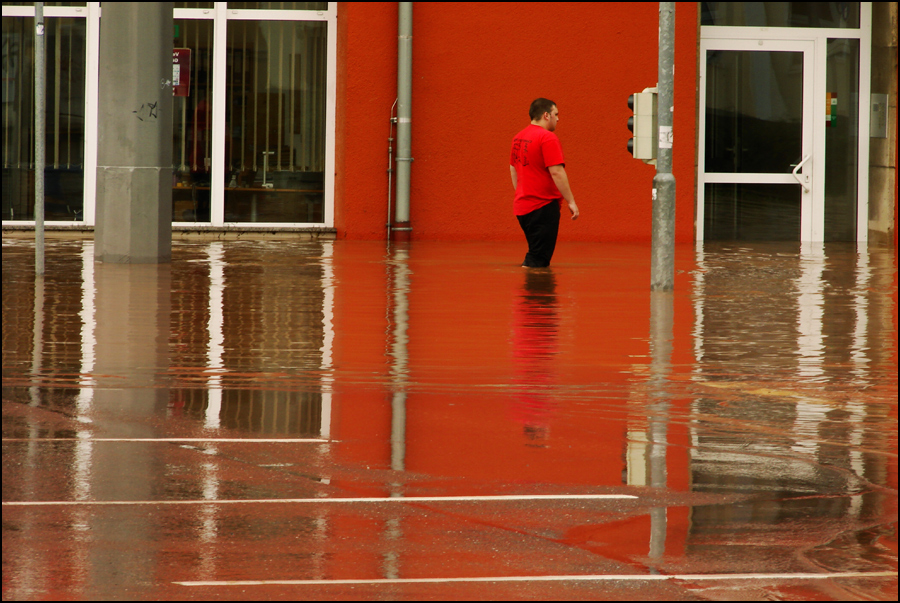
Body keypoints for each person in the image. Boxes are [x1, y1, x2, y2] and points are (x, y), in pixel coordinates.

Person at [509, 98, 579, 267]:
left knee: (536, 254)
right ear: (546, 115)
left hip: (523, 208)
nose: (558, 118)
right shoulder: (547, 138)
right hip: (542, 206)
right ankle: (532, 292)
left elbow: (513, 168)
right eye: (556, 114)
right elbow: (557, 172)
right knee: (538, 260)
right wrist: (571, 201)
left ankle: (531, 291)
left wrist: (521, 192)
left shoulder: (518, 138)